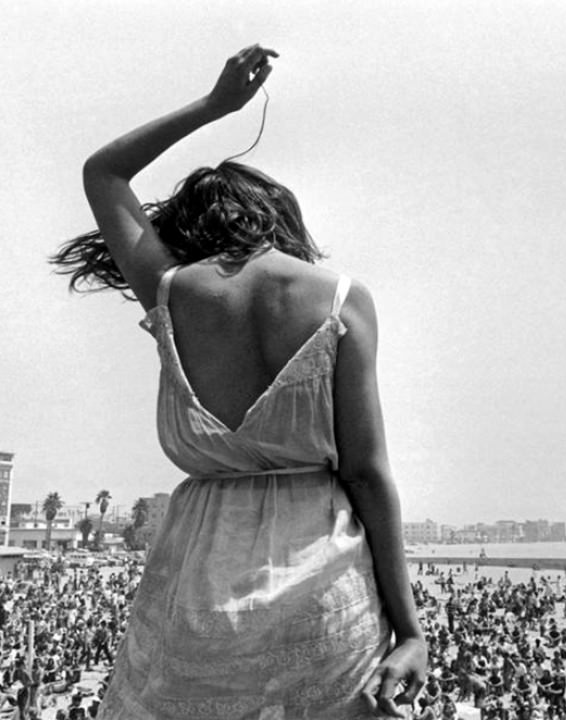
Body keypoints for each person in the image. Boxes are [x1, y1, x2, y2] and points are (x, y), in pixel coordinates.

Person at [51, 44, 427, 719]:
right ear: (279, 219)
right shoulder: (339, 298)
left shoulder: (169, 292)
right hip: (325, 584)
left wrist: (215, 105)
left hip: (197, 589)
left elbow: (104, 172)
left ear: (193, 228)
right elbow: (367, 475)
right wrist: (411, 629)